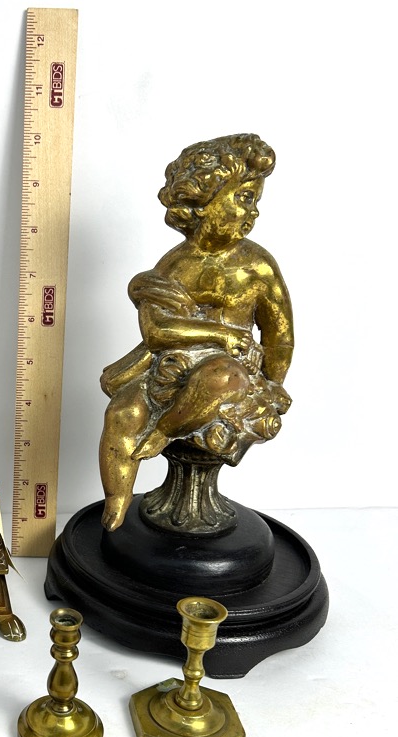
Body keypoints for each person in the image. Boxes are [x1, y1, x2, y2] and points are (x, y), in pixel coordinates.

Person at [100, 134, 294, 532]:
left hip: (234, 372)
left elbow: (280, 334)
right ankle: (117, 499)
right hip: (169, 366)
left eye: (255, 199)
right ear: (203, 203)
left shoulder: (257, 266)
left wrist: (274, 383)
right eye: (244, 198)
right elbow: (157, 333)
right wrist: (219, 334)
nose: (253, 211)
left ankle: (163, 432)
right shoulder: (175, 265)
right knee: (122, 413)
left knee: (221, 377)